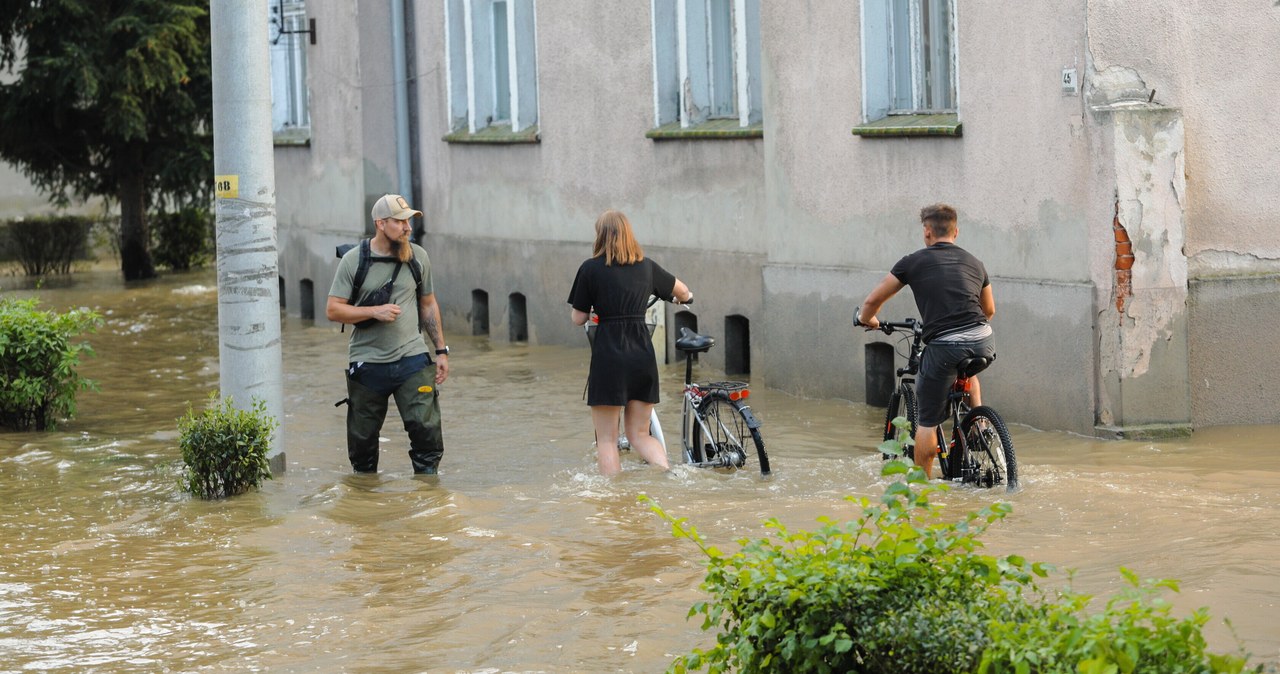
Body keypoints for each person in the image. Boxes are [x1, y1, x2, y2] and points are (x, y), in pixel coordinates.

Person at [856, 203, 995, 479]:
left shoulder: (913, 261)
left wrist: (867, 319)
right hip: (984, 341)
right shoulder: (975, 262)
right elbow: (989, 311)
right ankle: (979, 424)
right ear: (956, 232)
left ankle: (923, 492)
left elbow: (873, 301)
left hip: (944, 346)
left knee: (927, 421)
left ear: (927, 232)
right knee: (966, 369)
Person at [326, 194, 450, 475]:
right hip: (367, 361)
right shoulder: (353, 260)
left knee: (427, 434)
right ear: (381, 223)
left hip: (412, 357)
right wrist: (374, 312)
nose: (408, 228)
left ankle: (428, 499)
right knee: (362, 447)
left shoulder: (418, 257)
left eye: (409, 221)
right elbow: (333, 310)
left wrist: (441, 350)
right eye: (401, 221)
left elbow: (428, 303)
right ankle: (368, 504)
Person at [568, 210, 693, 476]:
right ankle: (667, 475)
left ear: (600, 236)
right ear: (628, 234)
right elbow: (682, 291)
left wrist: (590, 311)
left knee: (607, 440)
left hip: (608, 357)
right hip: (641, 356)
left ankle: (615, 501)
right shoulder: (647, 266)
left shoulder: (590, 269)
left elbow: (578, 318)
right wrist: (687, 296)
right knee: (639, 434)